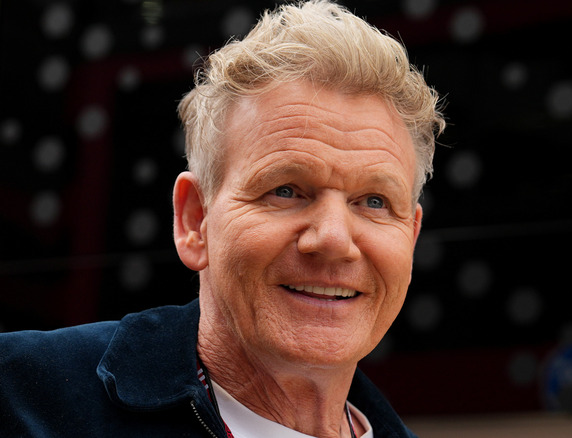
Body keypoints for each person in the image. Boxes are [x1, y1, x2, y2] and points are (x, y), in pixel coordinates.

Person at [0, 1, 445, 437]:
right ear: (195, 220)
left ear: (410, 234)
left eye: (373, 202)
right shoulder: (18, 400)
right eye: (285, 191)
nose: (332, 238)